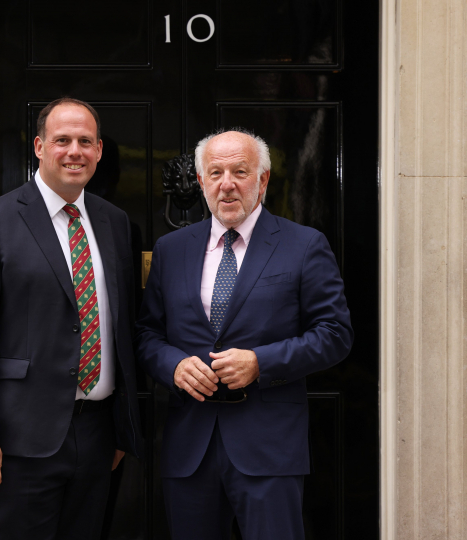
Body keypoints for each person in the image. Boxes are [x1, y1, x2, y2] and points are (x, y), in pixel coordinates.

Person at [136, 129, 353, 539]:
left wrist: (261, 363)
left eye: (240, 171)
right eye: (215, 173)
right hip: (189, 451)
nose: (227, 183)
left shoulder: (304, 245)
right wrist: (174, 365)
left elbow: (335, 333)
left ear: (263, 180)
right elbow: (147, 334)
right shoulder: (171, 248)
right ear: (201, 182)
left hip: (269, 448)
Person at [0, 97, 143, 539]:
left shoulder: (115, 223)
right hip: (20, 439)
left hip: (97, 436)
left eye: (85, 141)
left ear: (98, 151)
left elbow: (123, 326)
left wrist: (122, 429)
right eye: (62, 140)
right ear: (39, 147)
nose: (74, 151)